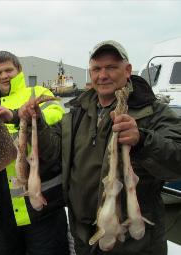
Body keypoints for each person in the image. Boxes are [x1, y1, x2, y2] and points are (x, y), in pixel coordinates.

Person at [46, 40, 181, 255]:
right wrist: (30, 122)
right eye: (97, 69)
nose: (103, 75)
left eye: (111, 67)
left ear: (127, 70)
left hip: (134, 245)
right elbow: (50, 150)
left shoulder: (154, 113)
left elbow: (177, 160)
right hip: (85, 238)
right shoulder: (76, 113)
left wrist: (143, 141)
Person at [0, 50, 69, 255]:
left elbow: (56, 113)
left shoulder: (37, 92)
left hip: (42, 207)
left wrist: (19, 115)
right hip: (4, 209)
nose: (4, 76)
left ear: (19, 70)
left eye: (8, 70)